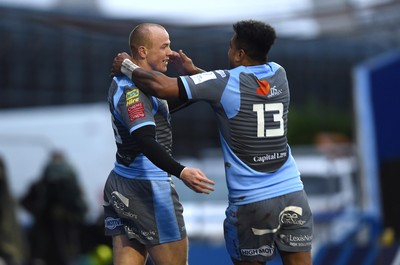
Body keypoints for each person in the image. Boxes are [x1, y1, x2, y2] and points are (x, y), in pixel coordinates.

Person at [111, 20, 313, 265]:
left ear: (239, 54)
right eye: (164, 46)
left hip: (251, 202)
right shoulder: (279, 73)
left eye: (230, 47)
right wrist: (195, 72)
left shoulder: (225, 81)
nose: (170, 52)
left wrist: (126, 65)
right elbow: (225, 90)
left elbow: (162, 88)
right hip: (292, 191)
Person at [103, 23, 215, 265]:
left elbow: (166, 105)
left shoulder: (136, 84)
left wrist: (192, 75)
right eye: (164, 46)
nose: (170, 53)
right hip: (149, 188)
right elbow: (144, 139)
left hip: (121, 184)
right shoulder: (134, 90)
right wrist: (182, 171)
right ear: (142, 51)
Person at [21, 150, 87, 265]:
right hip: (43, 237)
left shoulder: (72, 187)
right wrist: (39, 210)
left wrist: (66, 214)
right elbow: (25, 202)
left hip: (65, 239)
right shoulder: (41, 185)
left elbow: (82, 210)